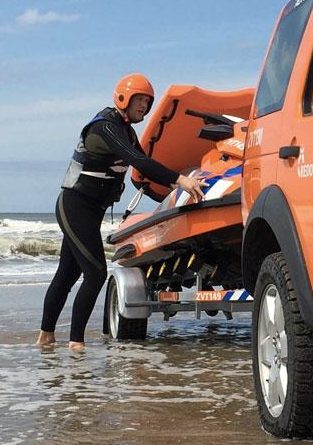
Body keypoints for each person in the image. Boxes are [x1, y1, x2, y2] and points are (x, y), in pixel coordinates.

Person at [38, 73, 205, 351]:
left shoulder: (126, 130)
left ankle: (46, 337)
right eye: (139, 100)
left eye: (147, 102)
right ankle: (76, 342)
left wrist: (171, 195)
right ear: (123, 99)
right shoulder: (105, 127)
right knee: (95, 273)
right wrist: (180, 180)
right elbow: (137, 159)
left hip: (92, 211)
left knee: (67, 273)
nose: (143, 107)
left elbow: (144, 167)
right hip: (74, 205)